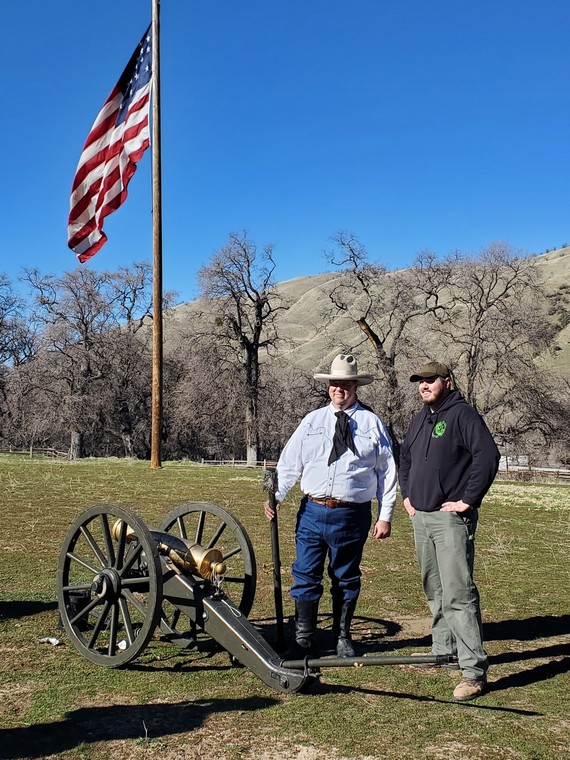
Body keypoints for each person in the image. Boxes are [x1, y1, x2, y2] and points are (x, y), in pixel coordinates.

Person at [264, 353, 397, 659]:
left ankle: (343, 637)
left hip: (352, 515)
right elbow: (289, 464)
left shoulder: (371, 423)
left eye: (346, 385)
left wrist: (385, 515)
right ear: (328, 387)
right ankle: (304, 639)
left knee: (346, 576)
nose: (340, 389)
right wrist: (277, 496)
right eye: (335, 384)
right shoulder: (311, 421)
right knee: (306, 574)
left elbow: (387, 472)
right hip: (312, 511)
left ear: (356, 387)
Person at [399, 360, 500, 702]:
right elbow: (406, 458)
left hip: (450, 520)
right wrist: (408, 495)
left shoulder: (462, 415)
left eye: (430, 380)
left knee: (458, 593)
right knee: (434, 589)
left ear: (447, 381)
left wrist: (467, 500)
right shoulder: (419, 419)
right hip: (422, 518)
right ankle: (443, 653)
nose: (423, 385)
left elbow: (487, 456)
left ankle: (473, 671)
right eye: (420, 381)